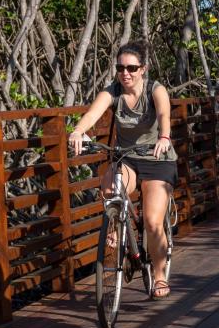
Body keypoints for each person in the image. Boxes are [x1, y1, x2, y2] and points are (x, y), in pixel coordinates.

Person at [67, 40, 177, 299]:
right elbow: (93, 114)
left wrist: (164, 136)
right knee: (109, 185)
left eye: (131, 67)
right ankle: (116, 227)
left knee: (152, 221)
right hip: (127, 157)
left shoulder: (155, 89)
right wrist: (78, 131)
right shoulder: (113, 92)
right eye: (120, 68)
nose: (125, 73)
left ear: (143, 69)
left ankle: (160, 277)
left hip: (157, 158)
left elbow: (164, 115)